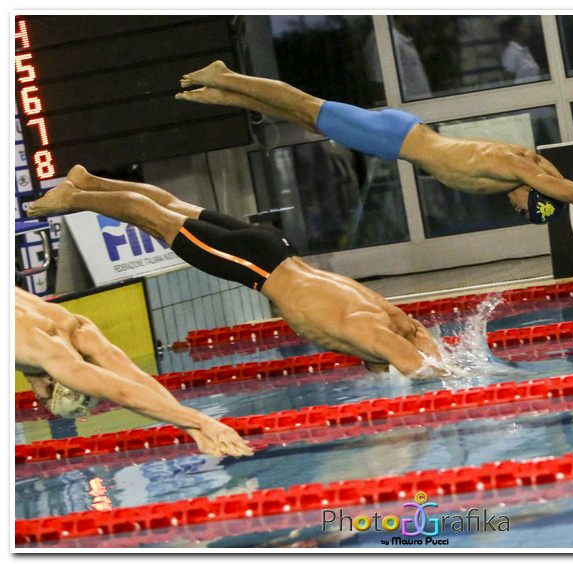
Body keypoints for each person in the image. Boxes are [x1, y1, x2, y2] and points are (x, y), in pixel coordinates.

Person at [174, 61, 573, 243]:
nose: (515, 209)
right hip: (397, 139)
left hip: (400, 137)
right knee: (308, 108)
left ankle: (227, 93)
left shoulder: (520, 171)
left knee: (307, 117)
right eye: (526, 210)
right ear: (530, 196)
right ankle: (228, 77)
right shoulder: (511, 167)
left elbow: (561, 186)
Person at [27, 166, 445, 380]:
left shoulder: (388, 317)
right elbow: (417, 367)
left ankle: (91, 181)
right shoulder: (375, 331)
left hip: (275, 249)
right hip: (257, 266)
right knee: (158, 219)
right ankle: (77, 196)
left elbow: (406, 348)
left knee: (174, 207)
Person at [15, 287, 253, 458]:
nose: (35, 395)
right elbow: (131, 383)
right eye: (42, 399)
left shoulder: (42, 351)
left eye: (41, 400)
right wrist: (197, 427)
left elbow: (127, 388)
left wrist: (199, 424)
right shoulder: (70, 327)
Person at [499, 16, 542, 84]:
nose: (529, 31)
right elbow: (508, 80)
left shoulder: (524, 50)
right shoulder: (511, 52)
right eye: (526, 27)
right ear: (516, 30)